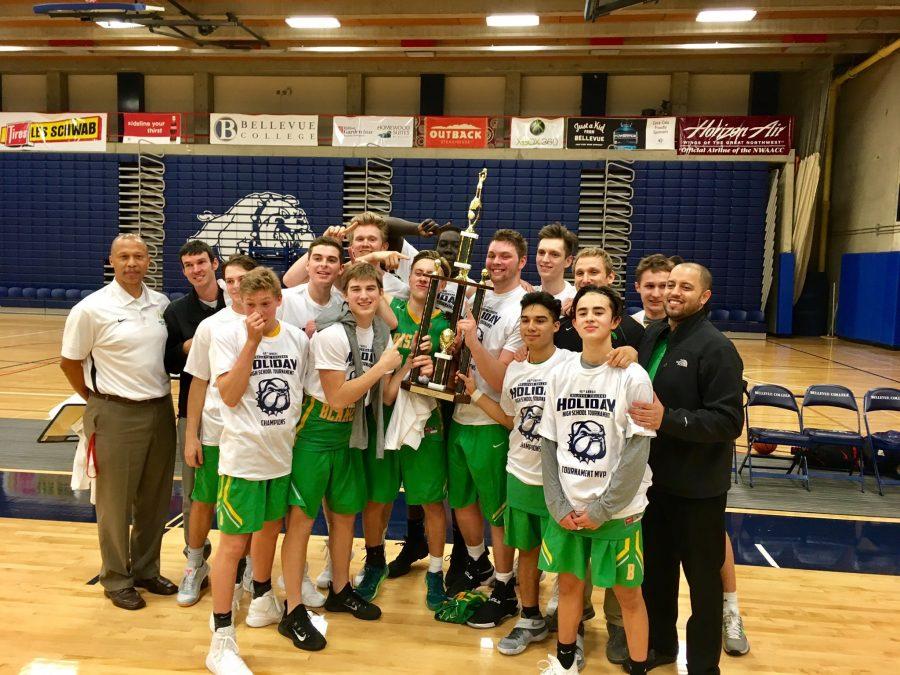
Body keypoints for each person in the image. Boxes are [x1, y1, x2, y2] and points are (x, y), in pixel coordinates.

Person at [628, 262, 744, 675]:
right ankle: (661, 647)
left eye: (685, 287)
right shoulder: (655, 334)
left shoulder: (716, 348)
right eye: (670, 284)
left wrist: (669, 419)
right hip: (653, 485)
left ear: (704, 297)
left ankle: (702, 665)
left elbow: (729, 422)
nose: (673, 292)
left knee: (703, 586)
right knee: (656, 575)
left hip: (698, 492)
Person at [538, 285, 654, 675]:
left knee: (629, 596)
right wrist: (557, 504)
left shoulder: (633, 377)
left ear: (615, 321)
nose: (590, 317)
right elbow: (548, 443)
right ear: (573, 320)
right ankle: (567, 661)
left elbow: (638, 453)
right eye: (583, 311)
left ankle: (638, 667)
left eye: (599, 311)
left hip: (617, 513)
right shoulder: (560, 373)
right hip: (570, 509)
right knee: (569, 588)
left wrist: (603, 509)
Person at [280, 262, 398, 643]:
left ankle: (341, 590)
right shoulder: (332, 334)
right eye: (357, 289)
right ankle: (293, 608)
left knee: (346, 516)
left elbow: (384, 388)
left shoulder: (379, 331)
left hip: (350, 431)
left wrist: (407, 364)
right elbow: (337, 394)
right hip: (315, 430)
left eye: (371, 289)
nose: (364, 296)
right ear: (344, 295)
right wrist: (383, 367)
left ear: (380, 294)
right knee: (300, 520)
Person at [59, 234, 177, 610]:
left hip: (160, 409)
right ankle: (115, 577)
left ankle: (145, 569)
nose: (131, 263)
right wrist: (97, 401)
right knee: (114, 501)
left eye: (138, 256)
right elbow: (69, 363)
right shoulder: (91, 309)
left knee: (155, 498)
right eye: (123, 256)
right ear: (110, 261)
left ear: (148, 261)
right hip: (114, 412)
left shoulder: (161, 303)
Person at [206, 267, 310, 673]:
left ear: (278, 300)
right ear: (239, 303)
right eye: (250, 305)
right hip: (243, 458)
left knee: (269, 531)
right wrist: (250, 344)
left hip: (280, 457)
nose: (258, 312)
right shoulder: (228, 336)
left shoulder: (297, 339)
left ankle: (263, 601)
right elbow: (230, 396)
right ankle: (220, 639)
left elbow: (298, 395)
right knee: (233, 545)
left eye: (265, 304)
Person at [458, 291, 570, 652]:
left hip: (562, 479)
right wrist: (476, 395)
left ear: (556, 325)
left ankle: (573, 628)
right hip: (520, 471)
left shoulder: (571, 364)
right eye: (525, 320)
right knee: (526, 549)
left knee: (568, 556)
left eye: (540, 321)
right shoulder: (516, 370)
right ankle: (529, 617)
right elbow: (511, 420)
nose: (532, 327)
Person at [446, 229, 527, 615]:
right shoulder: (477, 294)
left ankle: (506, 583)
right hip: (459, 413)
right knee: (460, 499)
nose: (496, 262)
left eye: (505, 256)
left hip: (491, 420)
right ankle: (479, 565)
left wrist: (474, 340)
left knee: (496, 509)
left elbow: (501, 380)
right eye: (492, 255)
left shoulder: (521, 307)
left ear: (521, 262)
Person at [177, 254, 257, 608]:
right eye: (231, 280)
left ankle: (252, 570)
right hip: (215, 433)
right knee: (203, 502)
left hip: (255, 436)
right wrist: (191, 435)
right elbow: (197, 383)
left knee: (253, 507)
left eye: (243, 279)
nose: (237, 286)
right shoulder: (211, 327)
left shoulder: (273, 323)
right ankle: (195, 565)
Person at [378, 250, 446, 607]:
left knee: (431, 500)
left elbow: (452, 382)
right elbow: (359, 279)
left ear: (442, 282)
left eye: (431, 275)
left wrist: (433, 368)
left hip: (426, 418)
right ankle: (374, 561)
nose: (423, 279)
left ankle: (436, 571)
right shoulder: (394, 312)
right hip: (387, 415)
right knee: (380, 498)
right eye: (418, 272)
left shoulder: (445, 326)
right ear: (409, 275)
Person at [163, 240, 226, 558]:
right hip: (195, 410)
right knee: (193, 491)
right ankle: (194, 556)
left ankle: (241, 557)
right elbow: (168, 362)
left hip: (237, 407)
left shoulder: (239, 302)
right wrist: (191, 346)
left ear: (215, 264)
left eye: (201, 262)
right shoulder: (176, 311)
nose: (196, 270)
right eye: (189, 265)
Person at [556, 246, 644, 353]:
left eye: (593, 272)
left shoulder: (632, 330)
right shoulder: (559, 327)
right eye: (580, 273)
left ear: (610, 277)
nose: (585, 279)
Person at [280, 236, 345, 338]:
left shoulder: (343, 305)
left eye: (331, 260)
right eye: (317, 259)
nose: (324, 264)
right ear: (307, 265)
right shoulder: (283, 299)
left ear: (341, 269)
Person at [535, 223, 578, 306]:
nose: (545, 260)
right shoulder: (526, 295)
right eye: (541, 252)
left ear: (568, 261)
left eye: (554, 254)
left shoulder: (577, 299)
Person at [632, 254, 674, 327]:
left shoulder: (685, 329)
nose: (656, 294)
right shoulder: (626, 326)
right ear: (637, 287)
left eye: (663, 286)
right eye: (650, 286)